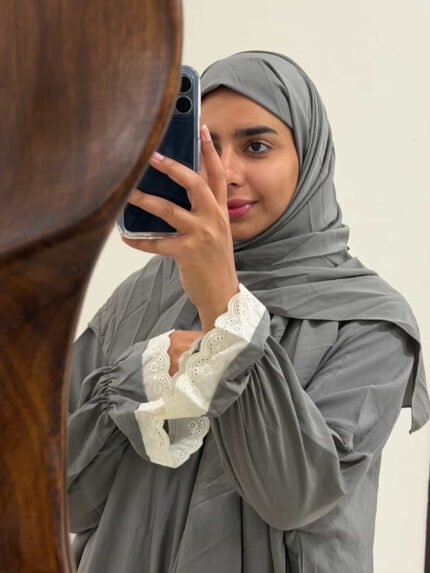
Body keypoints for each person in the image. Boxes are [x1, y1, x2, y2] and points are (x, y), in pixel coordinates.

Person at [67, 50, 430, 573]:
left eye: (256, 146)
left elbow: (292, 498)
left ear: (309, 159)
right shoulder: (143, 294)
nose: (227, 172)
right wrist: (140, 376)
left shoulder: (370, 322)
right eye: (208, 147)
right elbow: (62, 497)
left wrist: (224, 308)